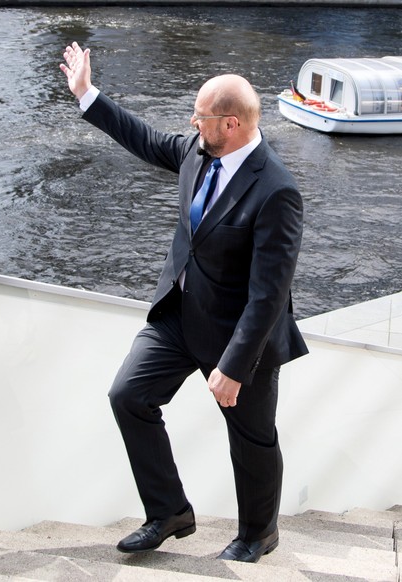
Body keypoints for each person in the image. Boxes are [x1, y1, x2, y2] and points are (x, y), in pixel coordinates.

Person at [59, 42, 308, 563]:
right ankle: (169, 511)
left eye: (200, 118)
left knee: (253, 440)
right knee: (128, 395)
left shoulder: (277, 192)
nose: (192, 125)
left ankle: (259, 534)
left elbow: (268, 296)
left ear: (231, 125)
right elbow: (147, 140)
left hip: (242, 336)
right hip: (178, 316)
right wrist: (87, 95)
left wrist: (234, 368)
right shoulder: (200, 151)